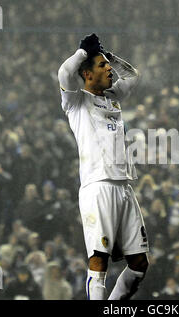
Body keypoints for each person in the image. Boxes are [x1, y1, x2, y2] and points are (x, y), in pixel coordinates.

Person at [57, 33, 148, 300]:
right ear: (86, 74)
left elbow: (132, 76)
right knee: (99, 261)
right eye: (102, 66)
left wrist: (108, 55)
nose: (109, 69)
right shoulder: (76, 103)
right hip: (98, 187)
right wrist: (84, 52)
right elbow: (64, 72)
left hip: (124, 185)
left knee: (139, 264)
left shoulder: (112, 96)